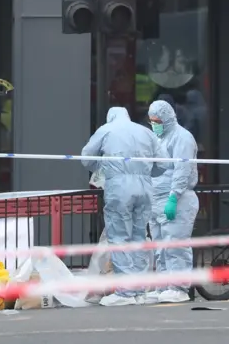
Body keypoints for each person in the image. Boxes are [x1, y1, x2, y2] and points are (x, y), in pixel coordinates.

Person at [81, 106, 170, 307]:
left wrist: (102, 167)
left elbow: (86, 158)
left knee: (119, 237)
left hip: (119, 187)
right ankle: (139, 290)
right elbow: (164, 163)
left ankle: (125, 292)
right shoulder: (145, 132)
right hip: (145, 187)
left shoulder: (106, 130)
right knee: (139, 236)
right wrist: (146, 173)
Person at [147, 100, 199, 304]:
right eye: (151, 121)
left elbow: (182, 170)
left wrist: (173, 197)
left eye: (157, 120)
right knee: (161, 247)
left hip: (178, 199)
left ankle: (179, 288)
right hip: (156, 199)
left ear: (168, 118)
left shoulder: (182, 138)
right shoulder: (157, 138)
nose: (154, 124)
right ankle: (163, 286)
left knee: (175, 245)